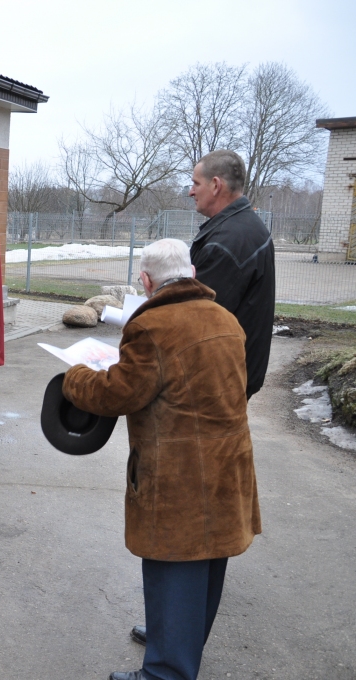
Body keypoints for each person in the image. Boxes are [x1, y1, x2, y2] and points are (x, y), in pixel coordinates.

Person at [62, 239, 261, 680]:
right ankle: (177, 642)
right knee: (209, 563)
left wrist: (75, 376)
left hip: (179, 473)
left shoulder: (152, 326)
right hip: (228, 465)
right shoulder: (225, 319)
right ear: (192, 273)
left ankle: (167, 671)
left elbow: (118, 394)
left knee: (173, 563)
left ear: (146, 281)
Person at [189, 149, 275, 400]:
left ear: (216, 185)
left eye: (196, 184)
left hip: (218, 380)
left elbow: (196, 319)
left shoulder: (226, 243)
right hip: (234, 372)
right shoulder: (246, 225)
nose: (191, 192)